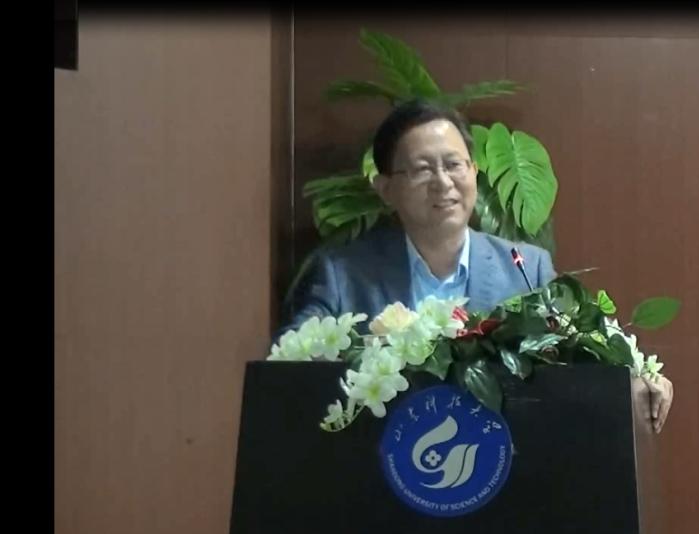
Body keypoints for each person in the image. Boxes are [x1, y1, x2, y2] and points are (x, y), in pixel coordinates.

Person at [278, 99, 674, 432]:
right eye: (422, 169)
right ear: (386, 189)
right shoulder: (342, 274)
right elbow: (289, 365)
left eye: (454, 165)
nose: (442, 182)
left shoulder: (526, 270)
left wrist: (638, 380)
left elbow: (582, 354)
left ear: (474, 173)